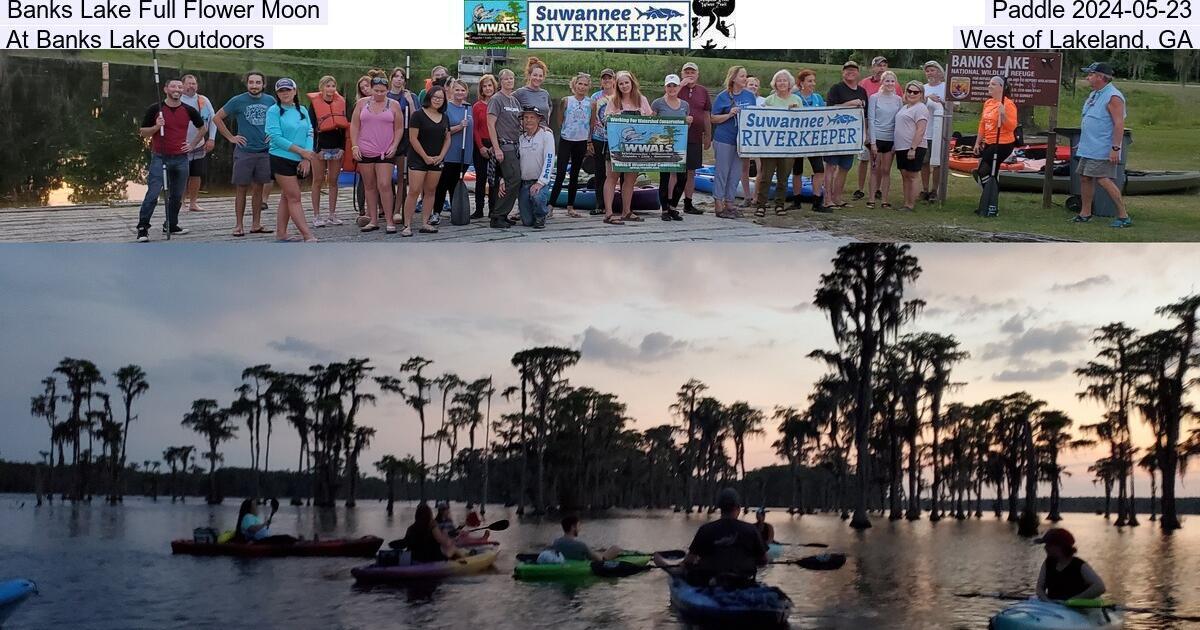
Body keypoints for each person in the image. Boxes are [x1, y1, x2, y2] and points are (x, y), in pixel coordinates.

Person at [136, 78, 207, 242]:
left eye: (180, 87)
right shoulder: (156, 109)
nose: (177, 89)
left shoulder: (189, 110)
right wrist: (156, 127)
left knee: (176, 195)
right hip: (160, 157)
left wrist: (192, 144)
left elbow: (202, 129)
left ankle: (171, 224)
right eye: (173, 86)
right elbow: (143, 132)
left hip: (181, 158)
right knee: (153, 194)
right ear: (165, 89)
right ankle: (142, 228)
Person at [652, 488, 768, 586]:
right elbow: (764, 560)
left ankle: (661, 561)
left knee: (684, 570)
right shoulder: (751, 530)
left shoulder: (706, 529)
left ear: (720, 508)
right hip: (743, 581)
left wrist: (687, 563)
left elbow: (689, 560)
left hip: (710, 581)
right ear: (738, 508)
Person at [213, 71, 276, 237]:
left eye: (257, 82)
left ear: (264, 84)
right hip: (244, 152)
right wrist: (231, 137)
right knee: (241, 189)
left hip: (264, 152)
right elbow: (217, 118)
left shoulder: (270, 100)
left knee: (258, 189)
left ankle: (256, 224)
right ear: (247, 83)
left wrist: (274, 134)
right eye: (251, 82)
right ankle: (238, 225)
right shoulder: (237, 100)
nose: (254, 86)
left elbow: (279, 119)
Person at [1073, 62, 1131, 228]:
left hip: (1102, 147)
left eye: (1090, 75)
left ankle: (1123, 215)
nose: (1088, 78)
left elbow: (1119, 124)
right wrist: (1082, 143)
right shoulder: (1094, 94)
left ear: (1100, 77)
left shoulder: (1113, 96)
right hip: (1088, 146)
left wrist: (1115, 148)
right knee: (1085, 178)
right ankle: (1085, 213)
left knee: (1103, 179)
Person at [350, 72, 404, 234]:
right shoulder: (361, 104)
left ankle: (389, 220)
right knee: (369, 185)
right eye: (376, 90)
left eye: (382, 91)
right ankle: (373, 220)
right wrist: (354, 146)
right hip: (365, 149)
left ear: (387, 90)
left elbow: (399, 127)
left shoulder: (393, 105)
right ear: (371, 90)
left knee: (384, 184)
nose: (379, 94)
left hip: (385, 150)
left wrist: (394, 145)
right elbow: (354, 126)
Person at [265, 78, 317, 243]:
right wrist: (300, 151)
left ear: (294, 91)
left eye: (288, 90)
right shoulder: (273, 111)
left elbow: (310, 132)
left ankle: (281, 233)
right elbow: (275, 137)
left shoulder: (302, 109)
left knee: (287, 196)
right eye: (281, 91)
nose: (285, 93)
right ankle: (307, 235)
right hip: (281, 157)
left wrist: (306, 157)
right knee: (294, 197)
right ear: (277, 94)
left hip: (300, 159)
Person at [602, 70, 653, 226]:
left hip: (635, 147)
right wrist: (613, 118)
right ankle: (609, 213)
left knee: (630, 179)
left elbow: (650, 120)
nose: (624, 86)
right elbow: (605, 121)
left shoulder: (642, 100)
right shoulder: (613, 101)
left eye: (626, 82)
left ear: (632, 83)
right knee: (612, 177)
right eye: (621, 83)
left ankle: (626, 211)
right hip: (616, 145)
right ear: (617, 85)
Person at [404, 85, 451, 236]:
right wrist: (425, 156)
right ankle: (407, 225)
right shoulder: (418, 115)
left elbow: (447, 139)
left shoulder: (444, 117)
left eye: (441, 98)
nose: (437, 100)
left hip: (436, 160)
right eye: (435, 97)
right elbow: (413, 138)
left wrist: (441, 156)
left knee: (430, 191)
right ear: (429, 97)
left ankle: (425, 222)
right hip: (418, 159)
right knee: (414, 191)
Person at [710, 66, 757, 219]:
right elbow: (713, 118)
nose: (745, 78)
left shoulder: (750, 97)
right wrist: (729, 115)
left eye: (745, 76)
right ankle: (718, 203)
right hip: (724, 138)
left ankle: (730, 202)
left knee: (736, 172)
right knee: (722, 171)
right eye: (742, 76)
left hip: (741, 140)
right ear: (734, 78)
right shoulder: (723, 97)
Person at [755, 69, 802, 217]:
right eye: (779, 80)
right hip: (771, 145)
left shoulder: (797, 100)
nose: (782, 83)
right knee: (766, 176)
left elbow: (803, 121)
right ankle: (761, 205)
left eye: (784, 80)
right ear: (775, 83)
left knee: (783, 177)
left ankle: (779, 204)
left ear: (789, 83)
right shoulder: (769, 100)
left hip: (788, 145)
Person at [824, 61, 870, 210]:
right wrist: (850, 104)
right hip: (835, 135)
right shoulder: (836, 89)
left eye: (853, 70)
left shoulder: (862, 91)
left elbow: (866, 116)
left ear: (858, 73)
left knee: (845, 167)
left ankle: (837, 197)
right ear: (842, 73)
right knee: (830, 166)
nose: (850, 72)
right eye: (847, 70)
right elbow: (829, 109)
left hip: (852, 137)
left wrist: (865, 134)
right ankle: (827, 199)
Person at [307, 75, 350, 228]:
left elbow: (345, 130)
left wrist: (342, 149)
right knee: (317, 180)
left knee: (333, 181)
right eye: (328, 86)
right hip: (319, 148)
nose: (331, 89)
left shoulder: (342, 103)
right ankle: (316, 215)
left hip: (336, 148)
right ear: (321, 88)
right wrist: (316, 150)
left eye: (333, 86)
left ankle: (332, 214)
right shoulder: (314, 105)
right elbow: (311, 129)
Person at [549, 73, 593, 219]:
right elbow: (560, 120)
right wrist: (568, 131)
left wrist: (589, 141)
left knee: (574, 174)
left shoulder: (591, 103)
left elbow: (591, 123)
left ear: (589, 87)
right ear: (574, 85)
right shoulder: (566, 101)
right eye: (580, 84)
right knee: (561, 173)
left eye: (585, 85)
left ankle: (570, 207)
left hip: (581, 141)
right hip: (566, 140)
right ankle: (550, 206)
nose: (582, 87)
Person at [973, 76, 1017, 218]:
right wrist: (978, 142)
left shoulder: (1008, 104)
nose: (989, 86)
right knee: (991, 171)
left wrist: (1003, 115)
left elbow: (1011, 126)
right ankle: (991, 201)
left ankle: (990, 198)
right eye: (989, 84)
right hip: (989, 141)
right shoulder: (988, 103)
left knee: (983, 170)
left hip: (1003, 143)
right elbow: (982, 123)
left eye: (993, 84)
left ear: (1001, 87)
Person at [432, 78, 474, 225]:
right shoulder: (446, 108)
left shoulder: (469, 108)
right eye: (457, 90)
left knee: (455, 185)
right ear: (451, 91)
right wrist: (459, 127)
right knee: (443, 184)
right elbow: (443, 131)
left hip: (464, 153)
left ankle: (456, 212)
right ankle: (436, 212)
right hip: (449, 153)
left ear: (466, 92)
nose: (460, 93)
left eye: (462, 90)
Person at [651, 74, 692, 221]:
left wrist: (688, 121)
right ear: (665, 87)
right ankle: (664, 210)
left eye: (674, 85)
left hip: (679, 146)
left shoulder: (685, 105)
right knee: (665, 177)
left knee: (682, 178)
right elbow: (651, 123)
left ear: (678, 87)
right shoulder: (657, 103)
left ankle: (673, 206)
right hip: (663, 146)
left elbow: (686, 124)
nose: (672, 88)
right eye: (669, 86)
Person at [487, 68, 523, 229]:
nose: (509, 81)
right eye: (506, 79)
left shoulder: (514, 101)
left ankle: (503, 214)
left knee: (513, 180)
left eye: (512, 78)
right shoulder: (496, 99)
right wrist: (496, 148)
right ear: (500, 82)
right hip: (504, 145)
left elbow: (520, 123)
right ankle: (497, 215)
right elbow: (490, 124)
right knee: (514, 178)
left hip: (515, 145)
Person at [508, 105, 554, 229]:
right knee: (527, 222)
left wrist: (541, 182)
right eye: (525, 117)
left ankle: (541, 215)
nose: (528, 120)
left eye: (532, 117)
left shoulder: (547, 136)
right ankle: (531, 211)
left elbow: (549, 160)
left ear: (539, 119)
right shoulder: (520, 138)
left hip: (539, 181)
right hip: (524, 183)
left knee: (538, 197)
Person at [1034, 528, 1106, 602]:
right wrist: (1047, 601)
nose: (1045, 548)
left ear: (1059, 546)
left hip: (1075, 608)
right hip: (1053, 607)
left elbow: (1100, 587)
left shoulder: (1079, 565)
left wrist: (1073, 600)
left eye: (1048, 545)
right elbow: (1039, 588)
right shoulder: (1048, 563)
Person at [179, 74, 216, 214]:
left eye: (193, 84)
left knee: (196, 174)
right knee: (182, 175)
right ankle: (181, 203)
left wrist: (211, 138)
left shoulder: (203, 100)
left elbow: (213, 119)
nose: (191, 86)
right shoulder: (178, 100)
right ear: (182, 86)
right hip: (181, 145)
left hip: (199, 144)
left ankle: (193, 202)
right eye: (188, 84)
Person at [678, 62, 712, 215]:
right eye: (687, 72)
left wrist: (708, 135)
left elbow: (706, 114)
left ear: (698, 74)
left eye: (693, 72)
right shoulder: (675, 88)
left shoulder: (703, 91)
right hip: (677, 135)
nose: (690, 74)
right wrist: (680, 85)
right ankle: (670, 202)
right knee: (674, 170)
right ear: (682, 74)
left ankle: (688, 202)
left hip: (695, 136)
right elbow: (666, 101)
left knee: (691, 171)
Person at [386, 67, 418, 224]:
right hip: (386, 140)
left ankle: (398, 209)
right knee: (384, 179)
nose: (399, 79)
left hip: (405, 141)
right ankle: (385, 208)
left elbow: (416, 117)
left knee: (402, 177)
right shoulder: (384, 96)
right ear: (391, 79)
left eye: (402, 77)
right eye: (396, 76)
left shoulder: (410, 96)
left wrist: (411, 102)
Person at [792, 69, 827, 212]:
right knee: (797, 170)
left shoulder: (818, 98)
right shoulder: (794, 97)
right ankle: (796, 201)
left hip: (814, 140)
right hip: (797, 140)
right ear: (801, 83)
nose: (813, 83)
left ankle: (817, 202)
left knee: (819, 170)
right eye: (809, 81)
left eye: (814, 80)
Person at [866, 71, 902, 209]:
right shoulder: (874, 98)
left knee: (886, 170)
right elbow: (872, 120)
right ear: (882, 82)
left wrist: (896, 142)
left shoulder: (898, 100)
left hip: (890, 139)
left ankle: (885, 200)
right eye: (887, 81)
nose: (890, 84)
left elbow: (898, 121)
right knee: (875, 169)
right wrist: (873, 142)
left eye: (892, 81)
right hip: (877, 137)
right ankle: (871, 198)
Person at [855, 56, 888, 201]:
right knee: (864, 158)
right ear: (872, 68)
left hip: (883, 127)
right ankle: (860, 188)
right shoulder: (864, 83)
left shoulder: (891, 82)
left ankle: (878, 189)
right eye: (878, 65)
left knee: (879, 161)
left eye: (884, 65)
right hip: (866, 124)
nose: (881, 68)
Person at [895, 81, 930, 213]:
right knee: (904, 174)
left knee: (912, 175)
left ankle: (911, 204)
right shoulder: (905, 107)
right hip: (901, 146)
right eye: (909, 91)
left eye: (915, 92)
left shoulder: (921, 108)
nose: (911, 94)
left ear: (921, 94)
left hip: (915, 146)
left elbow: (920, 130)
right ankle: (906, 202)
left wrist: (913, 148)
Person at [588, 68, 617, 216]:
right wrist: (589, 141)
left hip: (616, 140)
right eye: (604, 78)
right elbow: (591, 120)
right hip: (599, 138)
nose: (607, 81)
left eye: (609, 78)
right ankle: (599, 204)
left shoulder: (619, 96)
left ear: (614, 80)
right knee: (600, 172)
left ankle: (615, 204)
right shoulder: (595, 96)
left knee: (616, 172)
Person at [471, 74, 497, 220]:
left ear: (494, 87)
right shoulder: (477, 106)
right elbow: (475, 128)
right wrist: (481, 147)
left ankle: (493, 209)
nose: (488, 88)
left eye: (490, 85)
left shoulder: (498, 104)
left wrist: (495, 146)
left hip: (495, 144)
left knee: (493, 179)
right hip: (480, 144)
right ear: (481, 89)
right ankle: (479, 209)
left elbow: (500, 126)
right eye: (485, 86)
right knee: (480, 179)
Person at [921, 61, 948, 203]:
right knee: (924, 162)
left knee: (936, 162)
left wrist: (942, 102)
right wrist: (927, 98)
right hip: (925, 131)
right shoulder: (923, 88)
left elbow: (954, 107)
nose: (930, 73)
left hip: (940, 132)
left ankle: (934, 190)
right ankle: (924, 189)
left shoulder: (945, 88)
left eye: (932, 70)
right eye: (927, 71)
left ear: (939, 72)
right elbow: (914, 104)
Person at [550, 515, 624, 562]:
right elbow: (600, 559)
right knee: (615, 548)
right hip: (591, 561)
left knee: (600, 550)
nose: (580, 529)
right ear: (573, 527)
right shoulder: (580, 545)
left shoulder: (556, 542)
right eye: (578, 526)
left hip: (568, 561)